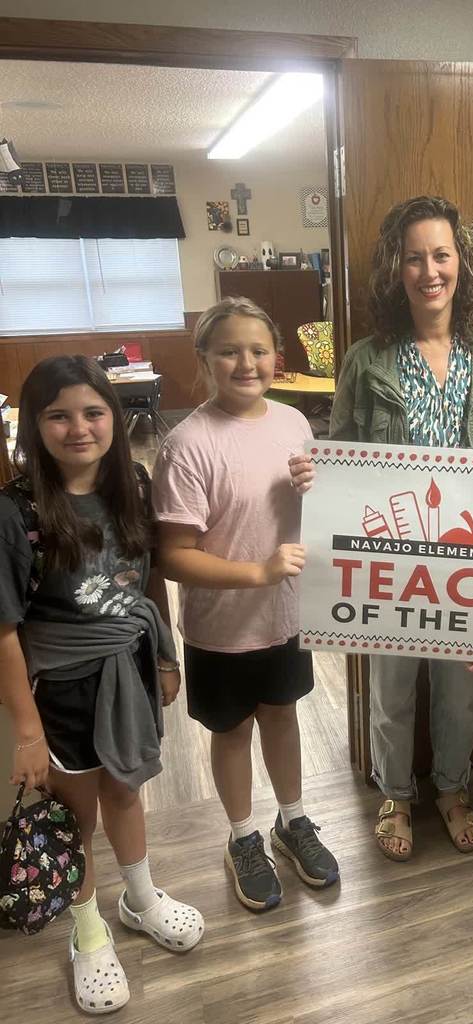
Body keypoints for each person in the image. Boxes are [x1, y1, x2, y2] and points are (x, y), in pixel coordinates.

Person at [291, 195, 473, 861]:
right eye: (416, 257)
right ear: (397, 268)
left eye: (442, 255)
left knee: (461, 690)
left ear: (463, 264)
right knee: (392, 686)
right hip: (391, 556)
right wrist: (319, 479)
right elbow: (342, 460)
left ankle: (452, 788)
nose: (430, 270)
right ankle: (396, 791)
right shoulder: (367, 359)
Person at [0, 355, 203, 1016]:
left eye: (92, 412)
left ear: (114, 418)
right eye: (58, 415)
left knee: (126, 786)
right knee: (75, 812)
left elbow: (150, 578)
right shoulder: (16, 511)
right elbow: (4, 629)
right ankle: (87, 932)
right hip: (61, 685)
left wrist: (167, 658)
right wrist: (28, 732)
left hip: (131, 665)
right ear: (35, 425)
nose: (78, 428)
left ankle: (139, 897)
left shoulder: (134, 485)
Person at [152, 297, 339, 917]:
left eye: (258, 350)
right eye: (228, 350)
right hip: (220, 630)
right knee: (231, 732)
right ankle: (242, 836)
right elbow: (174, 556)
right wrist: (256, 572)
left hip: (286, 617)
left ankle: (293, 820)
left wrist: (324, 490)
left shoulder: (293, 423)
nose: (245, 362)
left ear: (276, 357)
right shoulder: (187, 444)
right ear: (203, 360)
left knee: (281, 716)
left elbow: (316, 516)